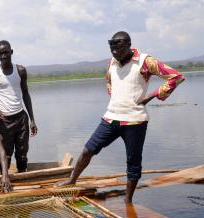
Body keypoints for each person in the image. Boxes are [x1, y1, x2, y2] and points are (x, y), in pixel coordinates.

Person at [56, 31, 184, 203]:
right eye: (111, 47)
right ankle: (72, 180)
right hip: (111, 118)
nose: (114, 51)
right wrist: (115, 95)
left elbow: (175, 77)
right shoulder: (112, 62)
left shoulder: (145, 61)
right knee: (88, 150)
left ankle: (128, 201)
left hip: (135, 120)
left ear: (128, 44)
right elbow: (108, 79)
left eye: (118, 47)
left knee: (133, 162)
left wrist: (152, 95)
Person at [0, 40, 38, 173]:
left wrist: (32, 119)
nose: (3, 56)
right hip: (4, 120)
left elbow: (26, 94)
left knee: (22, 153)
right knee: (5, 154)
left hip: (21, 118)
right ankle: (4, 179)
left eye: (6, 52)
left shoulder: (20, 70)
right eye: (0, 54)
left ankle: (23, 179)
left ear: (11, 52)